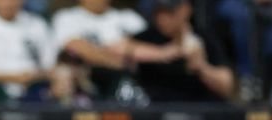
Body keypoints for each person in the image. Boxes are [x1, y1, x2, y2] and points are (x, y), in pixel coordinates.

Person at [50, 0, 184, 102]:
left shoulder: (128, 17)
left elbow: (153, 46)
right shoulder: (68, 17)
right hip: (91, 86)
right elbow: (78, 48)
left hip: (132, 86)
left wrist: (126, 50)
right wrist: (125, 57)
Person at [132, 0, 235, 102]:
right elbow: (120, 50)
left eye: (169, 12)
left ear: (186, 10)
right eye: (158, 12)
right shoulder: (147, 37)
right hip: (156, 108)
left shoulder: (204, 38)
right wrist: (163, 53)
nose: (162, 18)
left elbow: (227, 86)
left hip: (198, 107)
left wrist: (201, 68)